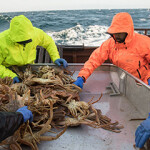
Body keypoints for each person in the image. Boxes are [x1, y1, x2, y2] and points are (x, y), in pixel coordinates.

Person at [73, 12, 150, 89]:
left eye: (120, 33)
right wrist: (82, 77)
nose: (117, 36)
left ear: (128, 31)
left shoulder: (145, 42)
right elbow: (93, 60)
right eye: (115, 33)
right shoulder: (109, 44)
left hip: (143, 85)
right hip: (121, 84)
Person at [0, 15, 68, 84]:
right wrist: (9, 75)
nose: (23, 43)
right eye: (20, 42)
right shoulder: (1, 40)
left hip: (29, 69)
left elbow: (49, 43)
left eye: (26, 41)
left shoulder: (36, 33)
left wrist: (56, 57)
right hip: (7, 70)